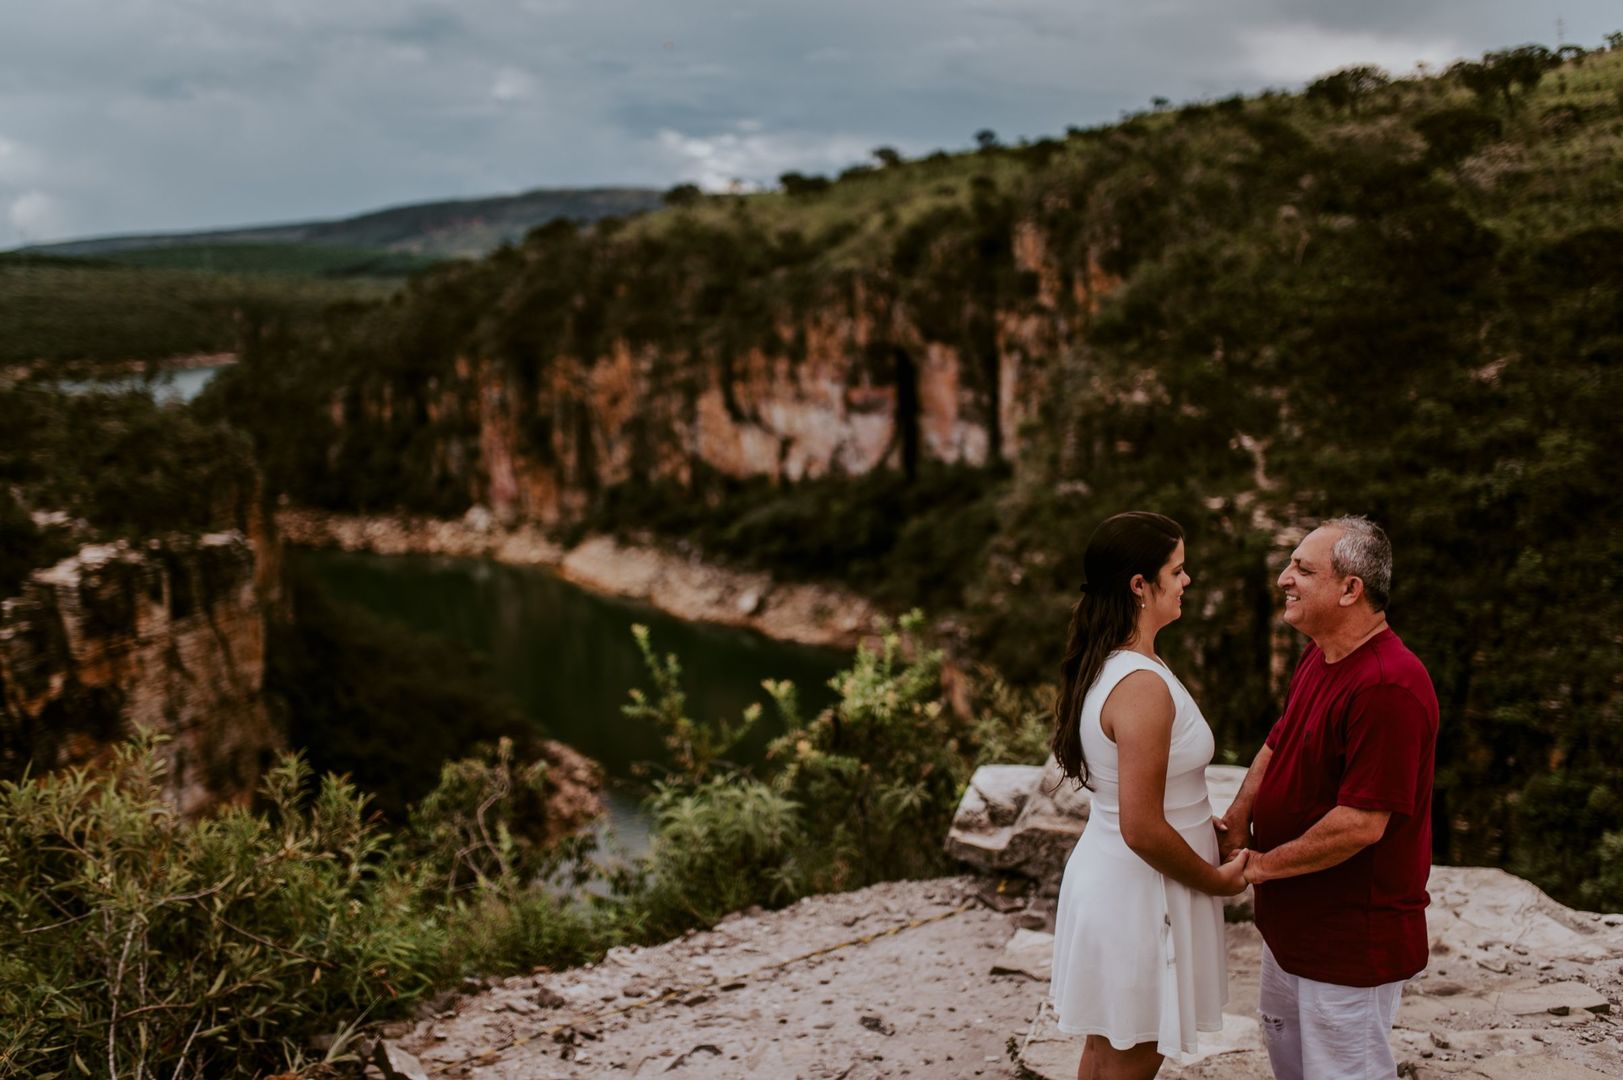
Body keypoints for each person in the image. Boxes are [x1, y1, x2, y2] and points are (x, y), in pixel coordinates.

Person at [1215, 516, 1438, 1080]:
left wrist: (1258, 867)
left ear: (1349, 589)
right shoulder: (1321, 653)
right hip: (1293, 928)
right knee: (1292, 1067)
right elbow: (1280, 738)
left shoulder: (1388, 685)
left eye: (1303, 569)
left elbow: (1361, 823)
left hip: (1349, 941)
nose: (1284, 578)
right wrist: (1240, 813)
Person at [1048, 511, 1250, 1080]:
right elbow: (1140, 825)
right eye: (1177, 570)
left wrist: (1200, 823)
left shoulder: (1122, 661)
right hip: (1141, 897)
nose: (1187, 580)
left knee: (1108, 1052)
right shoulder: (1140, 685)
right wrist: (1216, 880)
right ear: (1140, 584)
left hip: (1122, 882)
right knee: (1130, 1060)